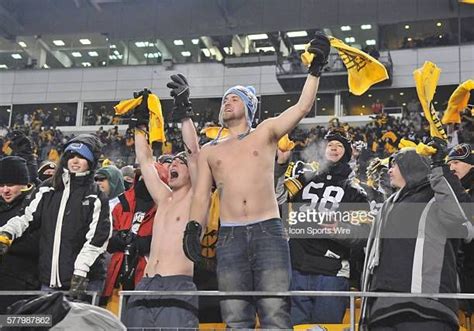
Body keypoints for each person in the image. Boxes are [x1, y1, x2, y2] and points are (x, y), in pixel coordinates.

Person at [183, 32, 331, 328]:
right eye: (225, 99)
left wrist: (315, 71)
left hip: (268, 230)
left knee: (275, 312)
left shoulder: (265, 132)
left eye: (235, 98)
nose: (228, 101)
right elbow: (201, 195)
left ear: (249, 107)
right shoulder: (211, 151)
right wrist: (193, 228)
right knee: (235, 316)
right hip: (230, 235)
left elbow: (301, 107)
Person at [360, 142, 473, 331]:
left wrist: (440, 168)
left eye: (394, 164)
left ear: (410, 164)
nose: (389, 170)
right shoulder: (387, 205)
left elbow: (465, 223)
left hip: (428, 308)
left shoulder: (437, 197)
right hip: (382, 310)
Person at [124, 77, 200, 328]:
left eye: (181, 162)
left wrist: (184, 111)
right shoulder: (164, 197)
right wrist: (140, 125)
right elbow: (145, 161)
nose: (175, 164)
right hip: (146, 283)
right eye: (173, 162)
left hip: (177, 283)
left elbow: (194, 153)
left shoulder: (197, 196)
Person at [0, 134, 112, 300]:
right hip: (48, 281)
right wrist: (6, 234)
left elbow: (98, 238)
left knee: (78, 326)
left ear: (91, 161)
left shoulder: (96, 195)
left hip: (84, 279)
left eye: (81, 157)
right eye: (71, 156)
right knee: (48, 324)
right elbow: (25, 217)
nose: (75, 161)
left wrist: (81, 271)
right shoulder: (48, 188)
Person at [284, 130, 370, 325]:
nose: (333, 147)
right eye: (330, 144)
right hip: (298, 266)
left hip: (331, 271)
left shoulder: (355, 190)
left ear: (346, 153)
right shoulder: (302, 179)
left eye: (339, 145)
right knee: (297, 327)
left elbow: (364, 233)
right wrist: (279, 166)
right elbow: (278, 201)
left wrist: (340, 230)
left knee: (326, 327)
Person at [103, 162, 168, 314]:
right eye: (143, 176)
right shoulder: (122, 204)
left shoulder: (167, 208)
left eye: (151, 177)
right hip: (117, 275)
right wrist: (115, 239)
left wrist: (145, 243)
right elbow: (105, 236)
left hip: (148, 277)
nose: (145, 180)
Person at [0, 156, 40, 312]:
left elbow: (38, 243)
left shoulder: (34, 207)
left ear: (24, 184)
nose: (5, 190)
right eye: (1, 185)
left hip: (25, 288)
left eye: (10, 185)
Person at [446, 143, 474, 319]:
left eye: (456, 162)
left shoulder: (459, 189)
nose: (451, 167)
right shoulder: (454, 187)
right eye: (449, 163)